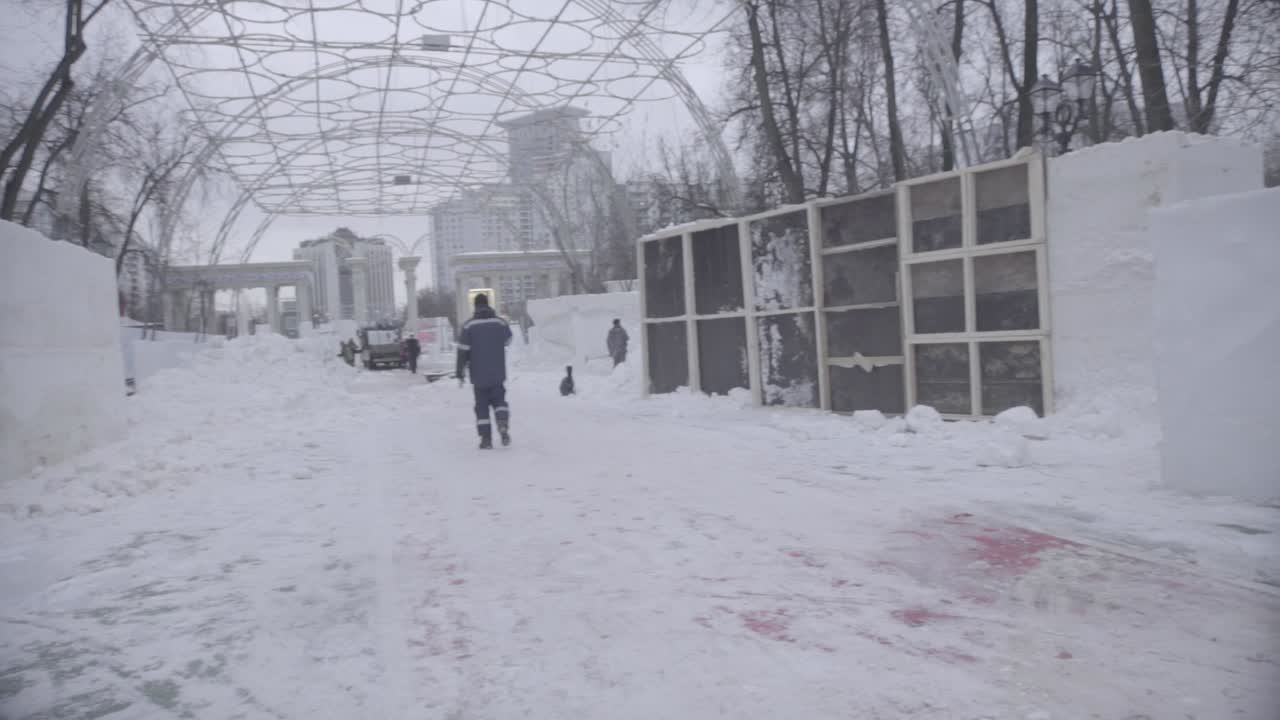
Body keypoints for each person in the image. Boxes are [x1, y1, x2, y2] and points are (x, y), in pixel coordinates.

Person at [456, 293, 513, 449]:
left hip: (479, 375)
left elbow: (462, 351)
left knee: (481, 407)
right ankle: (502, 423)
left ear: (475, 306)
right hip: (497, 373)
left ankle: (486, 440)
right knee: (500, 401)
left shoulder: (468, 326)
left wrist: (460, 372)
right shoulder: (500, 323)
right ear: (488, 304)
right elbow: (508, 340)